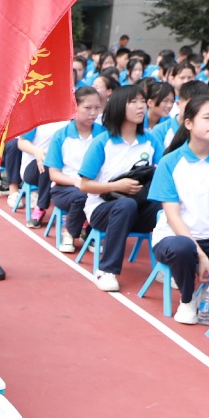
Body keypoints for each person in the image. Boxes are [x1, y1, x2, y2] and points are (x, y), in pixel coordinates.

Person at [146, 95, 209, 324]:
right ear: (188, 123)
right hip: (176, 237)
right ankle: (187, 300)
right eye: (207, 118)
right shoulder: (170, 163)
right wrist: (200, 254)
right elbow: (173, 216)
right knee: (183, 247)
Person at [78, 84, 165, 292]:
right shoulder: (102, 142)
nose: (140, 107)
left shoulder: (151, 141)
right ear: (118, 106)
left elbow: (162, 176)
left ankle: (166, 266)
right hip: (102, 208)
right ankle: (107, 270)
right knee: (124, 205)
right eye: (133, 102)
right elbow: (84, 185)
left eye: (143, 101)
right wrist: (118, 186)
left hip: (139, 206)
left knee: (166, 208)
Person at [44, 86, 105, 254]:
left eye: (97, 108)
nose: (93, 113)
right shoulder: (61, 135)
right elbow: (54, 174)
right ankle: (70, 233)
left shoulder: (104, 134)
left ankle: (90, 232)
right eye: (87, 108)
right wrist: (77, 182)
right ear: (74, 107)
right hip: (65, 188)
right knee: (82, 195)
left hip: (97, 187)